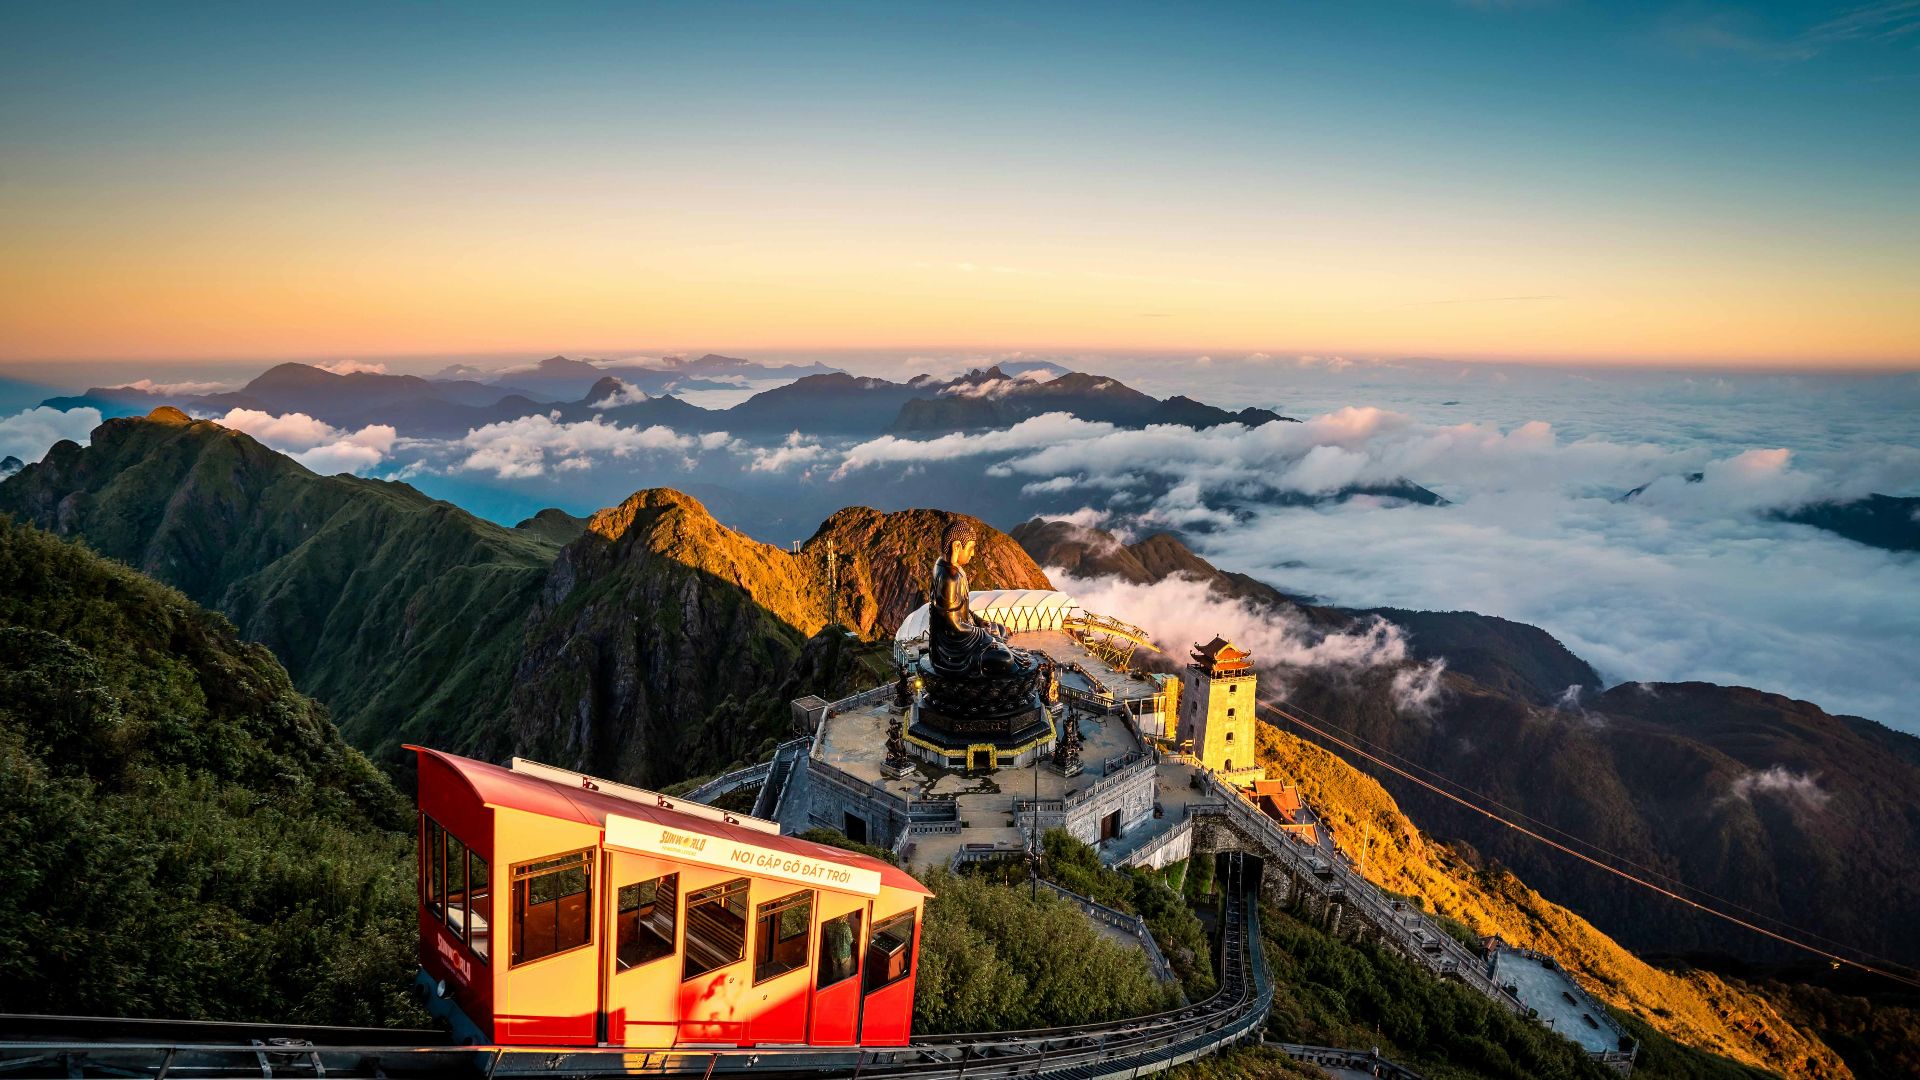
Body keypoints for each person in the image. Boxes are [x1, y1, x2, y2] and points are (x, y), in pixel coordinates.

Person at [927, 520, 1038, 680]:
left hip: (964, 633)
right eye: (970, 548)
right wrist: (982, 634)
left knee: (999, 628)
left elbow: (961, 609)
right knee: (1004, 660)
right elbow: (953, 624)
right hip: (952, 648)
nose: (972, 554)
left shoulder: (953, 570)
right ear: (957, 547)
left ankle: (998, 643)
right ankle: (999, 646)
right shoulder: (948, 578)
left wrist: (979, 621)